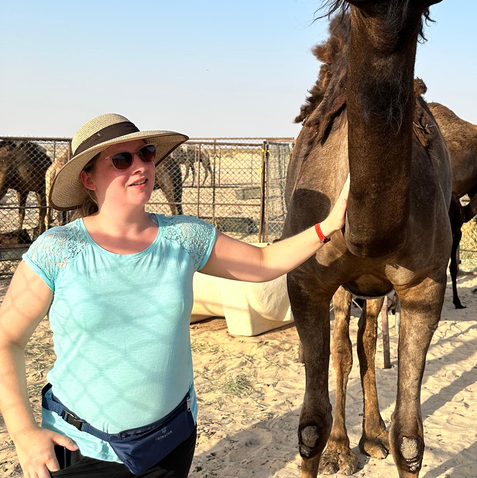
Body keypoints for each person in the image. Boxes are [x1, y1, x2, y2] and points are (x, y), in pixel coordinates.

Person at [0, 113, 349, 478]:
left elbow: (262, 262)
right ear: (88, 178)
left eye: (146, 154)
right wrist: (23, 434)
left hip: (169, 443)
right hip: (81, 447)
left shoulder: (183, 237)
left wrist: (328, 226)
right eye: (122, 159)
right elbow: (7, 339)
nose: (140, 166)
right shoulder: (58, 249)